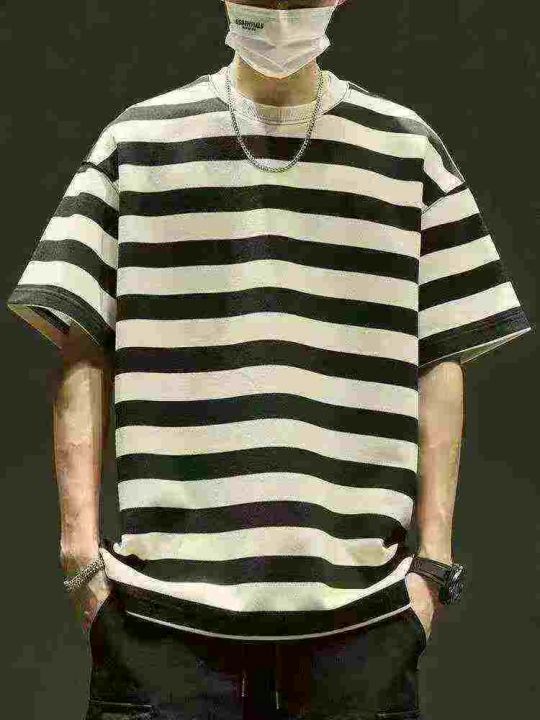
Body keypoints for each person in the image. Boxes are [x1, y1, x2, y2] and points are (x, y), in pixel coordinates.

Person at [6, 1, 533, 719]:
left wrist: (432, 567)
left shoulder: (409, 150)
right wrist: (80, 560)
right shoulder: (137, 142)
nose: (282, 9)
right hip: (160, 629)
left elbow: (441, 355)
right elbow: (82, 340)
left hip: (362, 627)